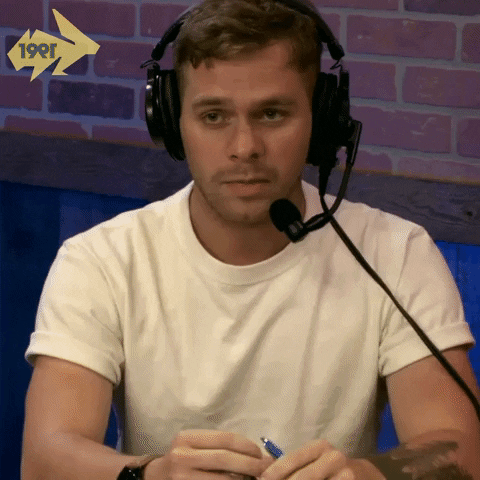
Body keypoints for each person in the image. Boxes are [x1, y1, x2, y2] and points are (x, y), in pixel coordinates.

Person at [21, 0, 480, 479]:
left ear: (321, 121)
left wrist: (361, 476)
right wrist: (151, 474)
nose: (245, 148)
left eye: (272, 114)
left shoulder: (397, 253)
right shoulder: (100, 259)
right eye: (214, 116)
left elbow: (460, 451)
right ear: (173, 123)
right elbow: (45, 458)